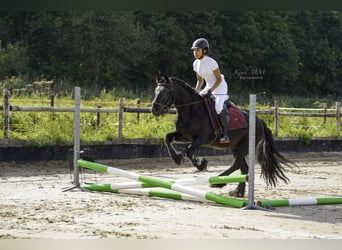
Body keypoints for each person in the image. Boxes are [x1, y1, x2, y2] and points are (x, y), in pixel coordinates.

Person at [191, 38, 230, 144]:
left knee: (217, 107)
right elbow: (200, 80)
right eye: (194, 50)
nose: (195, 53)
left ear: (204, 50)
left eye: (198, 50)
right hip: (208, 86)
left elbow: (219, 79)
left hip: (219, 86)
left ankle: (224, 133)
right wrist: (195, 91)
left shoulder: (212, 62)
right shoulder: (195, 64)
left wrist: (211, 91)